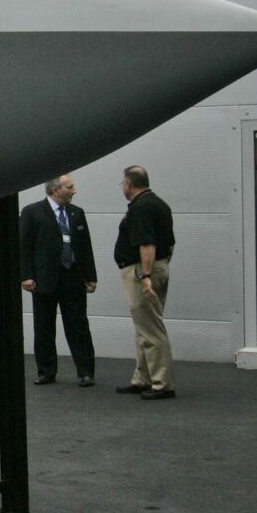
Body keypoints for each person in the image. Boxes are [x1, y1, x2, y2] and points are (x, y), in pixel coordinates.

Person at [19, 175, 98, 386]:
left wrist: (90, 276)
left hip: (73, 276)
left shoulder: (77, 213)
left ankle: (86, 372)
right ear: (55, 190)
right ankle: (46, 371)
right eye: (70, 187)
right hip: (44, 278)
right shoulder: (32, 212)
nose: (74, 190)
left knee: (79, 326)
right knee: (44, 327)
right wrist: (26, 276)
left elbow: (85, 246)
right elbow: (24, 246)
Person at [114, 165, 176, 400]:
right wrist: (161, 268)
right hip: (158, 267)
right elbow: (169, 244)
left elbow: (146, 244)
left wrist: (146, 276)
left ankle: (162, 383)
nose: (123, 187)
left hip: (142, 272)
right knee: (144, 328)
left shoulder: (140, 208)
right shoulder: (160, 204)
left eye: (123, 183)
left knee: (151, 329)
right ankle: (143, 378)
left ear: (129, 184)